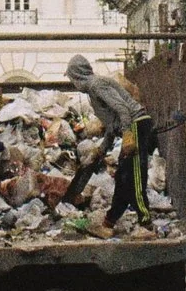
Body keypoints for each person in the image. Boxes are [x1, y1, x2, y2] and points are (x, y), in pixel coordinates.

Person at [62, 55, 151, 234]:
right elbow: (112, 126)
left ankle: (146, 222)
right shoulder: (93, 91)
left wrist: (127, 135)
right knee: (122, 178)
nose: (72, 83)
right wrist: (100, 151)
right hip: (130, 125)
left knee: (134, 176)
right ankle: (110, 220)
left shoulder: (97, 85)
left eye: (72, 78)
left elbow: (122, 109)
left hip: (136, 123)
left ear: (78, 75)